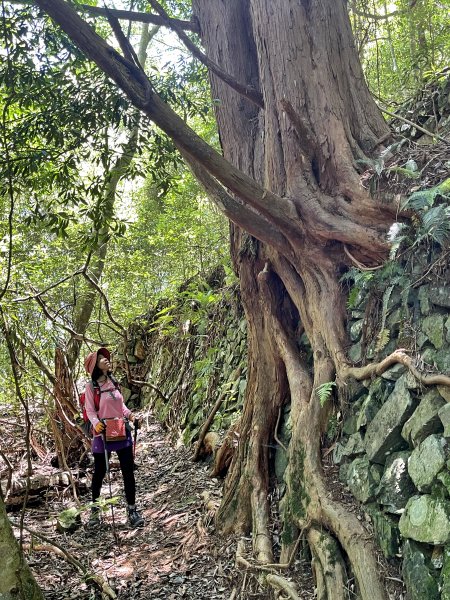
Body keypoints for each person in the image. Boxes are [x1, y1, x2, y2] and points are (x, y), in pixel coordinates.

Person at [84, 347, 144, 528]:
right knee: (100, 472)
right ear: (94, 365)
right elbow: (90, 410)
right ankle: (95, 513)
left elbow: (122, 406)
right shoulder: (91, 387)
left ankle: (132, 510)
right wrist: (96, 424)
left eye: (106, 358)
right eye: (102, 359)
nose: (107, 360)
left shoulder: (114, 382)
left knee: (128, 472)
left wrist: (132, 416)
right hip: (102, 434)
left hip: (120, 431)